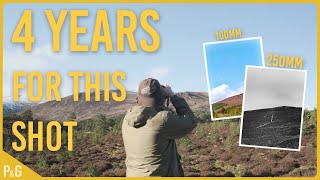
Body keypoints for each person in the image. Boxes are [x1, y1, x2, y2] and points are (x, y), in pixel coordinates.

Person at [122, 78, 197, 177]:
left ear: (138, 98)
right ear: (160, 98)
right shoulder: (161, 120)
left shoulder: (127, 119)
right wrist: (173, 96)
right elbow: (191, 120)